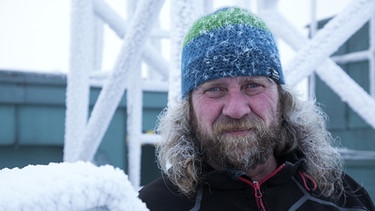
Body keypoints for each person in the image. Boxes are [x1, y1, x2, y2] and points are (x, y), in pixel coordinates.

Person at [139, 7, 375, 211]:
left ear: (282, 99)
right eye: (215, 89)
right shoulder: (149, 206)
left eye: (253, 85)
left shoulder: (346, 200)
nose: (236, 109)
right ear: (188, 108)